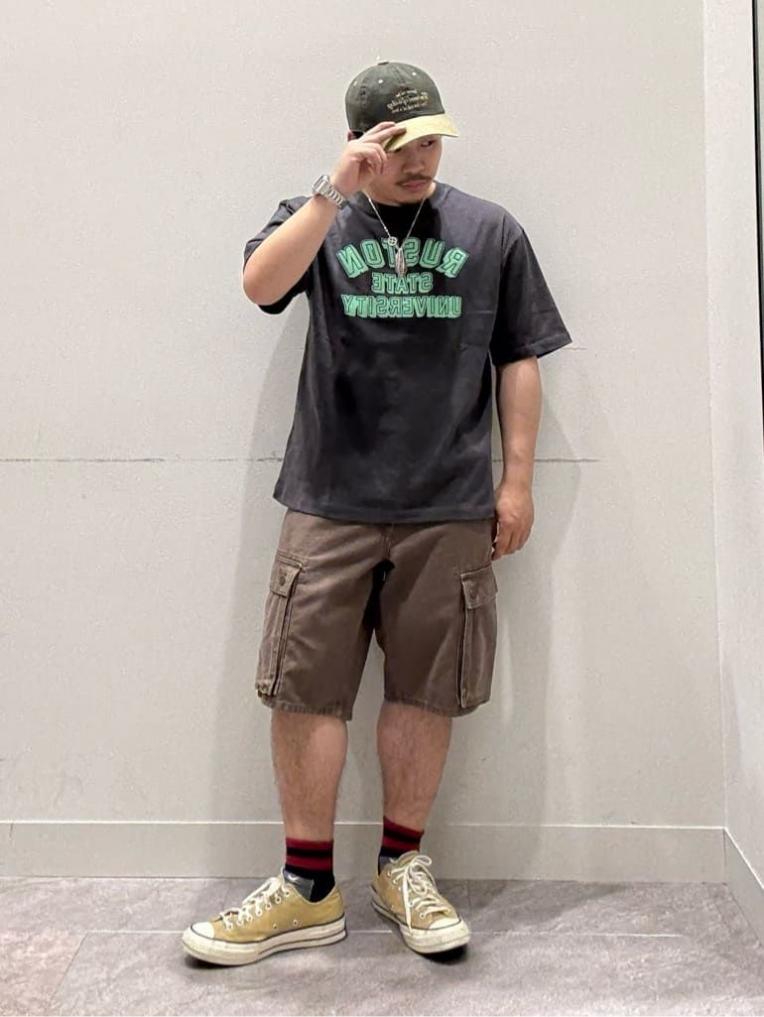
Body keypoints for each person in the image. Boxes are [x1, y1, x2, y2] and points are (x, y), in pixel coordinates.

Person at [182, 59, 572, 967]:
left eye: (432, 140)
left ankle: (402, 868)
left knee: (426, 686)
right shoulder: (320, 216)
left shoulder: (490, 229)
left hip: (449, 501)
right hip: (329, 495)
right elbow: (259, 284)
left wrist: (516, 481)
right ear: (362, 141)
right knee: (304, 684)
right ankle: (308, 888)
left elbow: (519, 355)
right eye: (401, 144)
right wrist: (334, 189)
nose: (421, 159)